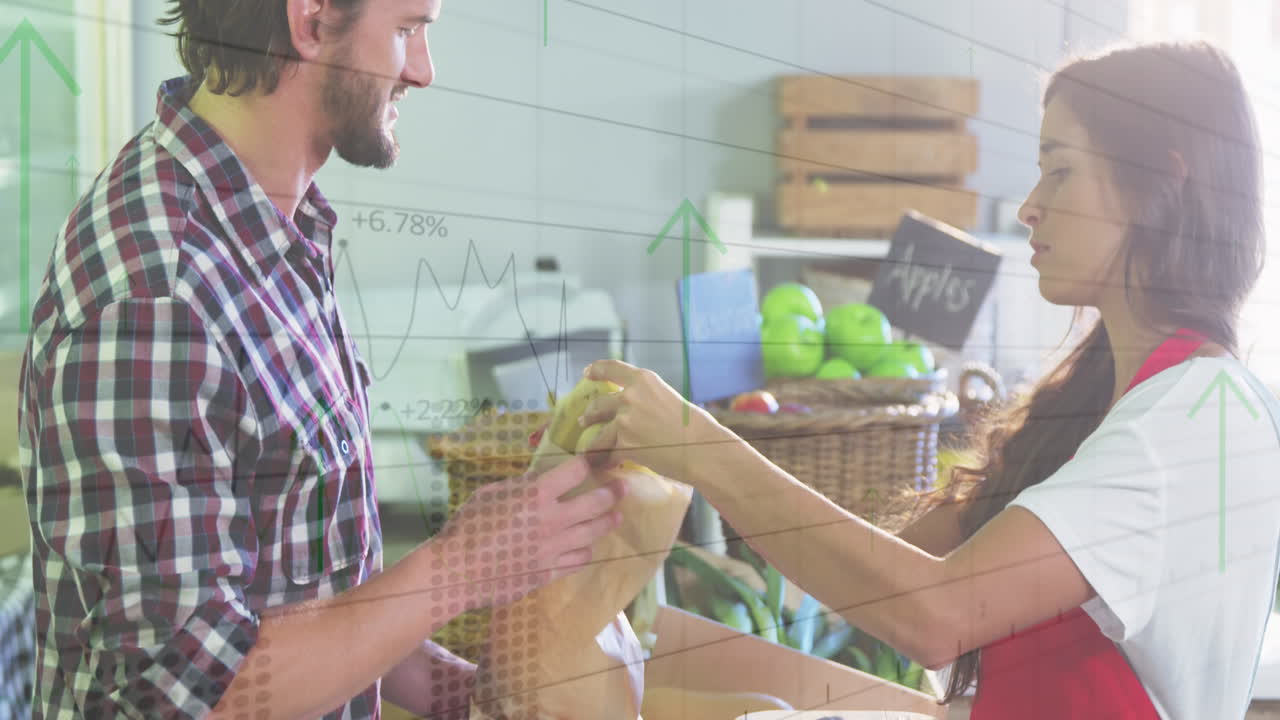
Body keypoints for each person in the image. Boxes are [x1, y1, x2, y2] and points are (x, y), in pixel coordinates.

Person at [581, 40, 1280, 718]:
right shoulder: (1110, 406)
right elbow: (899, 567)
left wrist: (699, 447)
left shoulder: (1193, 421)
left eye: (1060, 171)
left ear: (1163, 179)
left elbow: (937, 612)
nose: (1029, 205)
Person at [16, 1, 625, 718]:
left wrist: (472, 699)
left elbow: (313, 598)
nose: (423, 71)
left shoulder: (274, 225)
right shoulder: (156, 295)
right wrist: (461, 570)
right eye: (405, 30)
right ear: (310, 21)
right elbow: (188, 694)